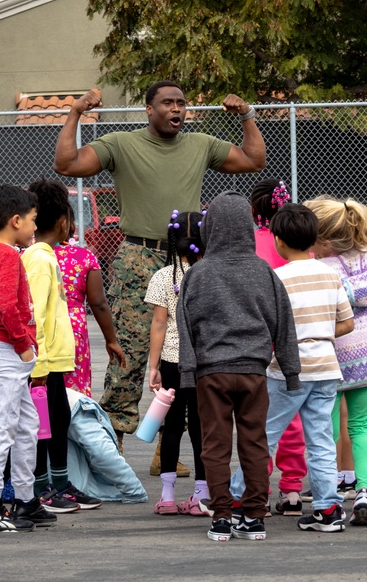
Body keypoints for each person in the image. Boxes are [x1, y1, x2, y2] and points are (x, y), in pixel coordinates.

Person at [52, 83, 266, 448]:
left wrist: (246, 116)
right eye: (167, 103)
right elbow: (66, 163)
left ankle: (169, 447)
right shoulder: (121, 143)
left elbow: (252, 160)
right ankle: (111, 443)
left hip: (189, 261)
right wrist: (74, 113)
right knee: (131, 351)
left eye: (181, 103)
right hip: (137, 257)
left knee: (187, 351)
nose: (176, 109)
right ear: (149, 109)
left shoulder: (201, 144)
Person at [176, 191, 300, 542]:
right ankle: (255, 515)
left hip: (210, 371)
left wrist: (188, 370)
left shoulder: (197, 274)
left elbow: (185, 325)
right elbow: (284, 323)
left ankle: (221, 516)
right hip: (253, 371)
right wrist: (290, 370)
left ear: (210, 228)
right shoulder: (264, 272)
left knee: (215, 444)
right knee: (255, 441)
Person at [229, 202, 354, 532]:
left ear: (279, 240)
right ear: (315, 239)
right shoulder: (331, 276)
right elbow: (346, 323)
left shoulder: (275, 277)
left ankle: (240, 497)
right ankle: (328, 510)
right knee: (321, 439)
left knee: (263, 435)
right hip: (326, 369)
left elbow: (266, 326)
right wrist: (320, 333)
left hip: (286, 370)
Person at [305, 196, 367, 527]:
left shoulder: (325, 268)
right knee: (361, 426)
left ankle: (327, 494)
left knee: (326, 427)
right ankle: (364, 490)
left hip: (336, 355)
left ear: (327, 242)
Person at [0, 184, 50, 532]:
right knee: (2, 429)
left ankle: (25, 500)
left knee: (26, 425)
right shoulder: (6, 256)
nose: (35, 227)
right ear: (16, 220)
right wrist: (22, 345)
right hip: (5, 351)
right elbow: (6, 307)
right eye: (33, 221)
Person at [24, 179, 103, 513]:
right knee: (42, 428)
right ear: (62, 222)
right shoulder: (39, 259)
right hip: (43, 365)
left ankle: (60, 483)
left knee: (57, 422)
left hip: (57, 361)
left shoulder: (48, 256)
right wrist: (39, 367)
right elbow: (36, 315)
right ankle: (41, 488)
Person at [248, 178, 308, 511]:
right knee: (292, 417)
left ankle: (258, 486)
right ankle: (292, 489)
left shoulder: (250, 244)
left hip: (259, 342)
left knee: (259, 419)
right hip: (296, 339)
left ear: (254, 209)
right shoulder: (299, 247)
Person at [146, 210, 210, 516]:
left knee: (171, 426)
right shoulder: (209, 274)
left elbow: (159, 324)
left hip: (171, 360)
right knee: (201, 426)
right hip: (202, 362)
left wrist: (153, 366)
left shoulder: (162, 277)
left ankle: (168, 496)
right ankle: (200, 495)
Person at [54, 215, 125, 397]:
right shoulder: (84, 258)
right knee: (74, 392)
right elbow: (99, 303)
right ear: (65, 224)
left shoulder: (26, 256)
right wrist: (111, 340)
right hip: (72, 331)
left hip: (37, 332)